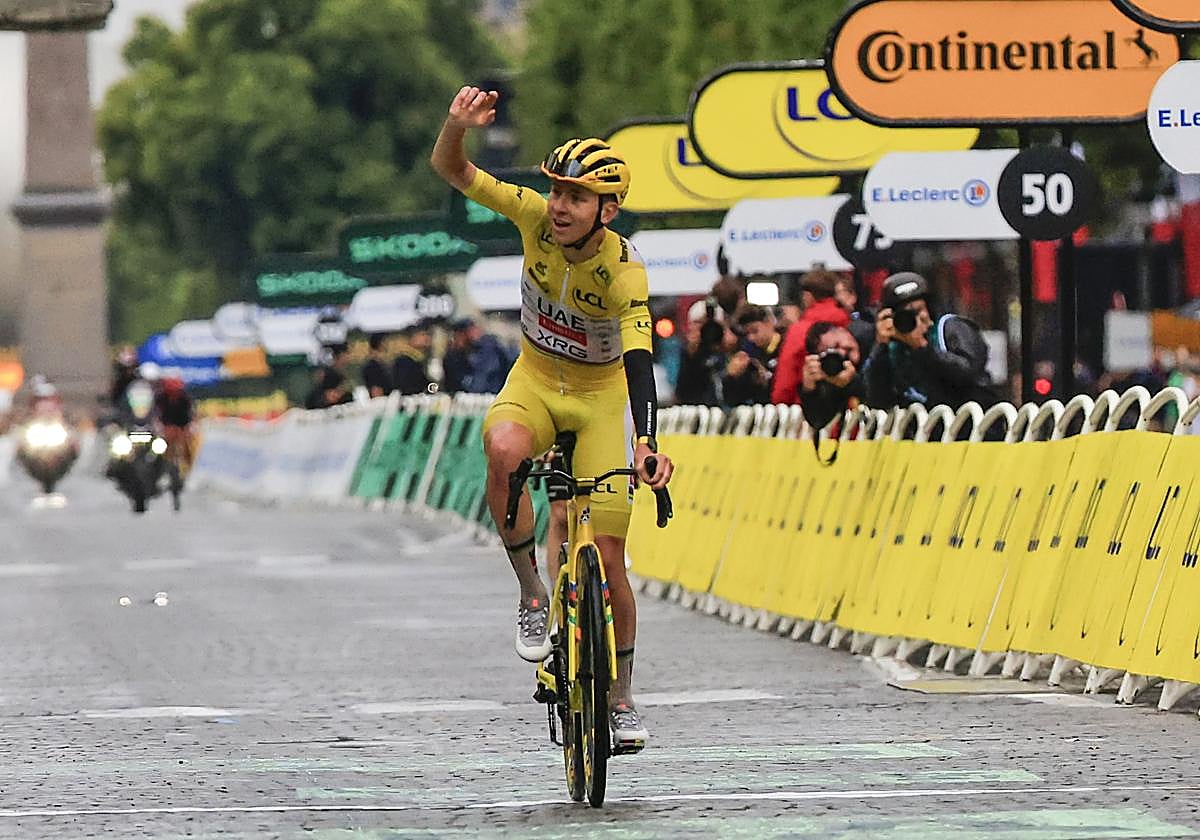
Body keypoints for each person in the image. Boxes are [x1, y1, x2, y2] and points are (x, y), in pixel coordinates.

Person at [431, 85, 674, 749]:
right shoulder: (533, 217)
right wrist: (456, 126)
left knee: (612, 562)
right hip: (534, 382)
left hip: (600, 402)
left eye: (577, 197)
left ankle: (621, 699)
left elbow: (640, 361)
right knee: (504, 449)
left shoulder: (625, 272)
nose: (560, 206)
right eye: (557, 192)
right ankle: (533, 593)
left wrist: (647, 442)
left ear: (608, 209)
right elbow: (452, 168)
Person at [864, 271, 999, 413]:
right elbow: (877, 401)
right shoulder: (893, 349)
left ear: (929, 309)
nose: (914, 319)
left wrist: (923, 348)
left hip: (969, 421)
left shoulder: (950, 328)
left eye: (918, 310)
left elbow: (969, 373)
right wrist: (881, 346)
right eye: (904, 315)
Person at [770, 268, 851, 406]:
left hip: (808, 407)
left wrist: (780, 403)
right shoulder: (849, 323)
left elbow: (787, 376)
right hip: (849, 408)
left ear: (808, 296)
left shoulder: (800, 330)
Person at [799, 322, 865, 431]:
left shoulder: (871, 339)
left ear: (843, 331)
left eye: (837, 344)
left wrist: (853, 381)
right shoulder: (830, 377)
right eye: (831, 353)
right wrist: (809, 389)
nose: (841, 352)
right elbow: (818, 422)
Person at [722, 304, 782, 406]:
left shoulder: (785, 347)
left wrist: (767, 379)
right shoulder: (750, 355)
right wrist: (731, 377)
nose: (751, 338)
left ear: (769, 322)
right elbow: (733, 400)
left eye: (755, 331)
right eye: (747, 333)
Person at [155, 375, 197, 474]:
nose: (173, 393)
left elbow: (190, 414)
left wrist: (187, 426)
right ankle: (160, 464)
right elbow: (156, 413)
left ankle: (188, 464)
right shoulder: (161, 398)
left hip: (182, 425)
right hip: (166, 426)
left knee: (187, 444)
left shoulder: (185, 398)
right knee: (160, 443)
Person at [835, 275, 876, 359]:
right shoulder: (836, 316)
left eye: (839, 292)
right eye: (835, 293)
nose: (836, 297)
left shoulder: (865, 319)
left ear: (853, 296)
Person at [392, 324, 433, 396]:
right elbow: (406, 387)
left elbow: (427, 384)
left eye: (428, 334)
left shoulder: (421, 358)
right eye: (422, 334)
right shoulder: (404, 361)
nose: (426, 337)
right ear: (412, 338)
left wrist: (436, 389)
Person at [361, 334, 395, 399]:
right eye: (386, 341)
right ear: (381, 343)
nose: (388, 344)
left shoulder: (380, 364)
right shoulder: (372, 367)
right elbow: (376, 393)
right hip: (382, 402)